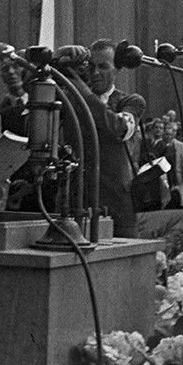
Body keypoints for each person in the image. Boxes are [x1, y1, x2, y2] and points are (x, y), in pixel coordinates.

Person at [61, 38, 146, 238]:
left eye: (103, 66)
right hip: (78, 203)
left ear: (117, 70)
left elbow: (119, 128)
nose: (95, 72)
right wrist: (58, 59)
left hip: (118, 208)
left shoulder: (131, 101)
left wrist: (83, 92)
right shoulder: (72, 97)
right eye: (91, 66)